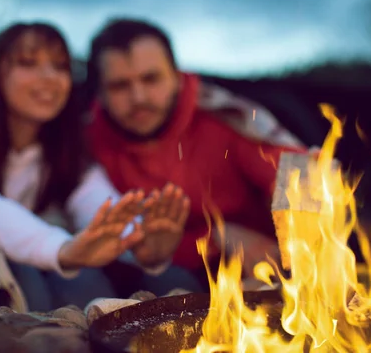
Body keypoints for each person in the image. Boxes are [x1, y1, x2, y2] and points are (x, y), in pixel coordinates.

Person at [0, 22, 191, 317]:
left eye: (60, 66)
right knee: (28, 276)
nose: (50, 77)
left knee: (112, 279)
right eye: (28, 63)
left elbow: (96, 201)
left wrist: (138, 240)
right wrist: (64, 250)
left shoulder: (63, 146)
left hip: (43, 256)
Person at [84, 18, 310, 289]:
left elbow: (298, 174)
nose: (139, 97)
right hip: (166, 278)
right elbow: (121, 246)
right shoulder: (85, 144)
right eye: (120, 86)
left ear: (178, 77)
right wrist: (215, 238)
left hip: (266, 272)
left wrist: (302, 235)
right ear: (99, 93)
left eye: (151, 79)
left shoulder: (228, 118)